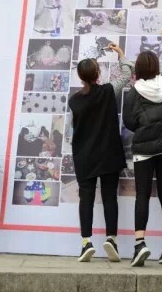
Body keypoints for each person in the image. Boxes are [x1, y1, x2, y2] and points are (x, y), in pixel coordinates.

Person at [123, 29, 162, 267]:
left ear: (138, 70)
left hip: (144, 151)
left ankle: (140, 245)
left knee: (142, 196)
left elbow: (129, 122)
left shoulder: (134, 93)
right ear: (156, 66)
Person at [68, 43, 133, 263]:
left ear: (80, 77)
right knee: (109, 197)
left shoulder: (74, 101)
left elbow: (72, 130)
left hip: (84, 156)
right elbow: (126, 74)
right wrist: (121, 54)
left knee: (85, 199)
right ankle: (111, 239)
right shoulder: (108, 92)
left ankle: (86, 243)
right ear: (98, 74)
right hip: (108, 154)